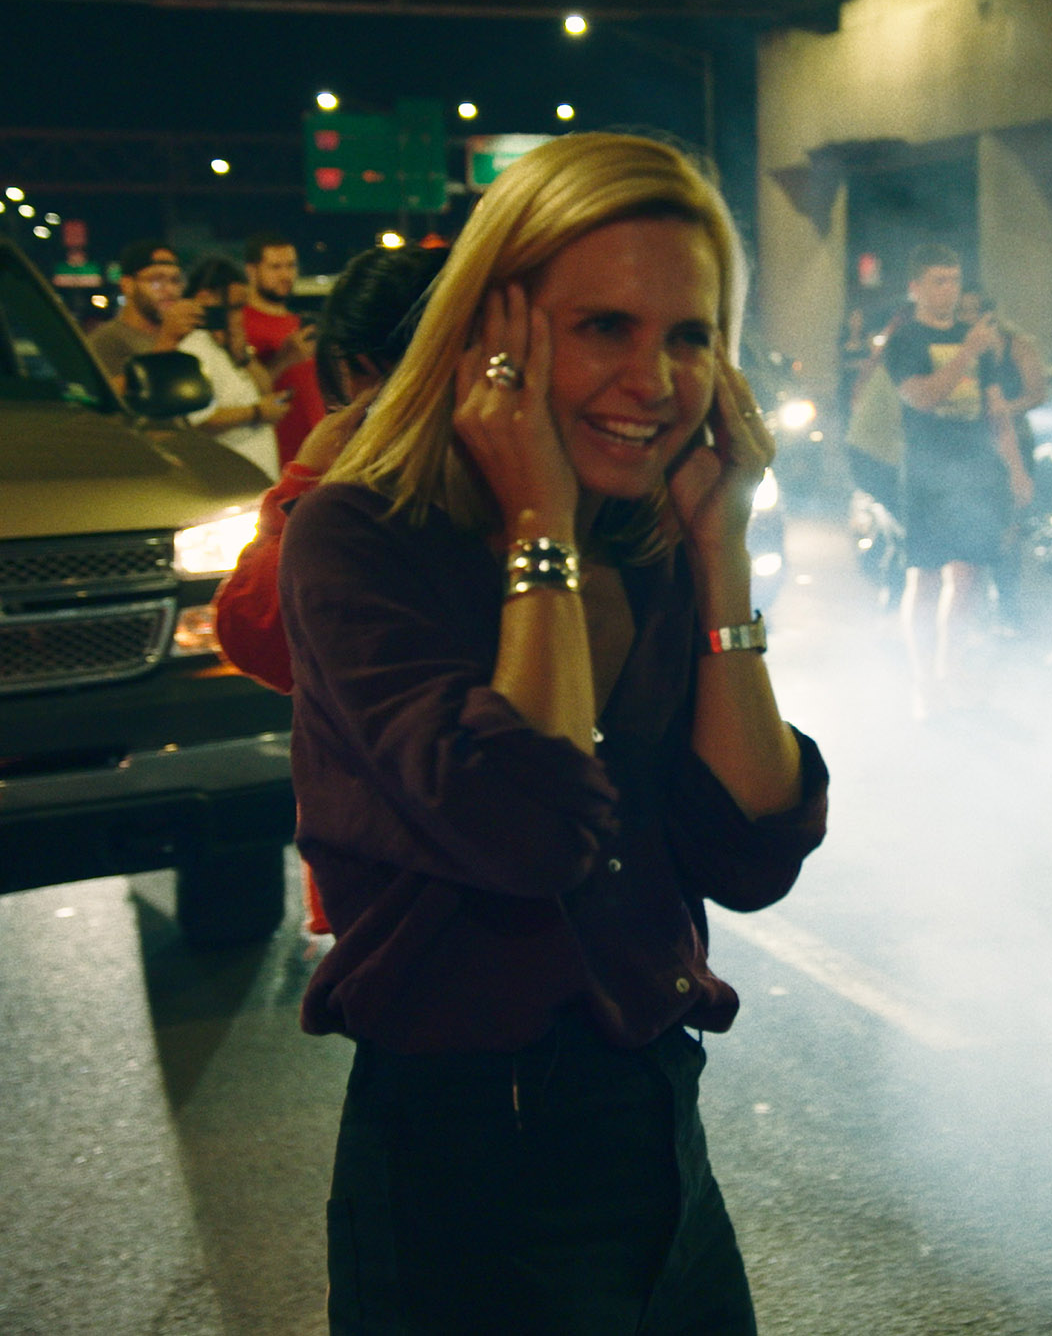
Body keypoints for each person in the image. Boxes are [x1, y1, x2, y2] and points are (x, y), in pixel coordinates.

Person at [278, 131, 828, 1335]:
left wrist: (720, 553)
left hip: (654, 1125)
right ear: (494, 332)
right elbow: (525, 828)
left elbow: (748, 853)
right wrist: (539, 518)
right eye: (604, 330)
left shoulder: (654, 535)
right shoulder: (362, 540)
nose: (658, 377)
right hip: (462, 1166)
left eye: (690, 336)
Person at [214, 243, 448, 697]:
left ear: (353, 366)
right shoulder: (526, 459)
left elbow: (256, 635)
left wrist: (304, 479)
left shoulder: (356, 504)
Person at [882, 245, 1032, 714]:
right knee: (925, 576)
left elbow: (995, 409)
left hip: (975, 469)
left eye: (954, 280)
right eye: (938, 281)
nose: (949, 290)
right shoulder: (905, 341)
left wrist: (1016, 468)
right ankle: (924, 682)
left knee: (968, 575)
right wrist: (967, 353)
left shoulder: (975, 338)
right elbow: (923, 397)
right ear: (917, 287)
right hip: (928, 470)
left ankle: (952, 672)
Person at [958, 288, 1048, 628]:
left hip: (1011, 439)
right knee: (972, 524)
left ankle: (1008, 606)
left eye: (973, 311)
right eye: (962, 311)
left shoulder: (1016, 346)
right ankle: (972, 610)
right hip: (969, 444)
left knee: (1010, 525)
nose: (967, 318)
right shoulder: (957, 347)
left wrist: (1003, 409)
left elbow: (1037, 393)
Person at [178, 256, 289, 474]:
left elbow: (266, 389)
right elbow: (198, 419)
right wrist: (257, 412)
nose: (241, 316)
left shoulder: (230, 346)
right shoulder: (193, 348)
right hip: (227, 480)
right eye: (235, 307)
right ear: (206, 299)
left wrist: (243, 357)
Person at [238, 231, 328, 466]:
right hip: (274, 455)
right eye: (275, 267)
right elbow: (243, 393)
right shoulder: (240, 325)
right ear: (251, 271)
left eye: (290, 266)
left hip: (316, 451)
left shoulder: (299, 321)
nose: (285, 275)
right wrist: (284, 359)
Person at [85, 240, 203, 393]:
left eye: (175, 281)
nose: (169, 290)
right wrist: (168, 341)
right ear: (128, 285)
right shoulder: (107, 339)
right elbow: (108, 395)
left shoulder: (183, 335)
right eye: (156, 281)